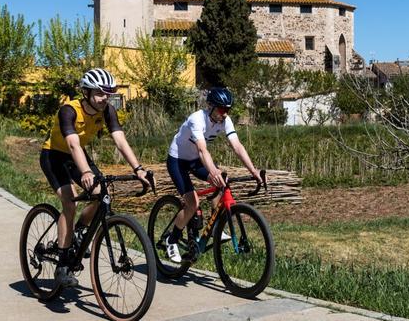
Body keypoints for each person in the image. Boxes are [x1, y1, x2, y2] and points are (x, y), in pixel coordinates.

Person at [40, 68, 150, 287]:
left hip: (77, 156)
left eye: (108, 93)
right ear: (86, 92)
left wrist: (138, 168)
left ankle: (79, 230)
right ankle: (62, 265)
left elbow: (120, 140)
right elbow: (72, 143)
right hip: (54, 156)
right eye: (99, 93)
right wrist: (87, 172)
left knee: (102, 193)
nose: (104, 98)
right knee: (70, 203)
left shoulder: (107, 110)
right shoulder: (69, 111)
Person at [163, 87, 262, 263]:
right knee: (193, 202)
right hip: (178, 160)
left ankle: (215, 226)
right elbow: (202, 150)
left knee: (221, 182)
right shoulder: (197, 119)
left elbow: (237, 146)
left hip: (195, 160)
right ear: (211, 106)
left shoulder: (225, 121)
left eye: (228, 110)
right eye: (221, 109)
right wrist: (213, 172)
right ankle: (172, 240)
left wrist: (253, 170)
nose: (224, 114)